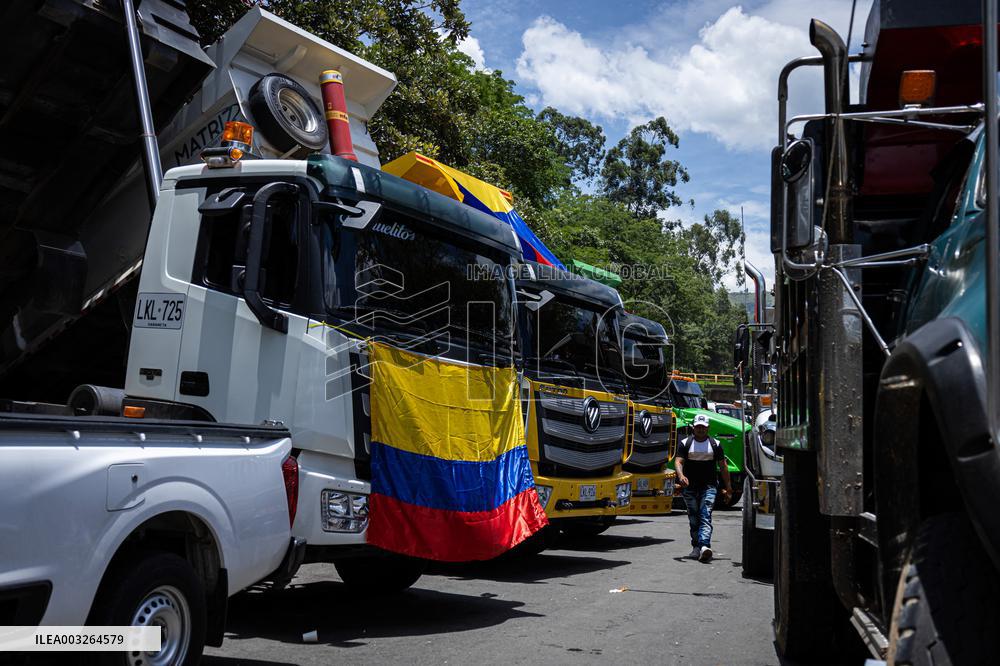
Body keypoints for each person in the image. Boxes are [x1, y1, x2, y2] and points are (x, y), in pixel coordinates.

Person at [675, 413, 732, 562]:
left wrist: (729, 488)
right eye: (698, 427)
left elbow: (723, 467)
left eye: (703, 427)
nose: (701, 430)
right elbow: (678, 462)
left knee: (705, 515)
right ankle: (696, 547)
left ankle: (705, 546)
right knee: (693, 517)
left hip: (709, 486)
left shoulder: (716, 445)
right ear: (694, 427)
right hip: (689, 487)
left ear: (708, 428)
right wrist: (681, 476)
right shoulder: (685, 443)